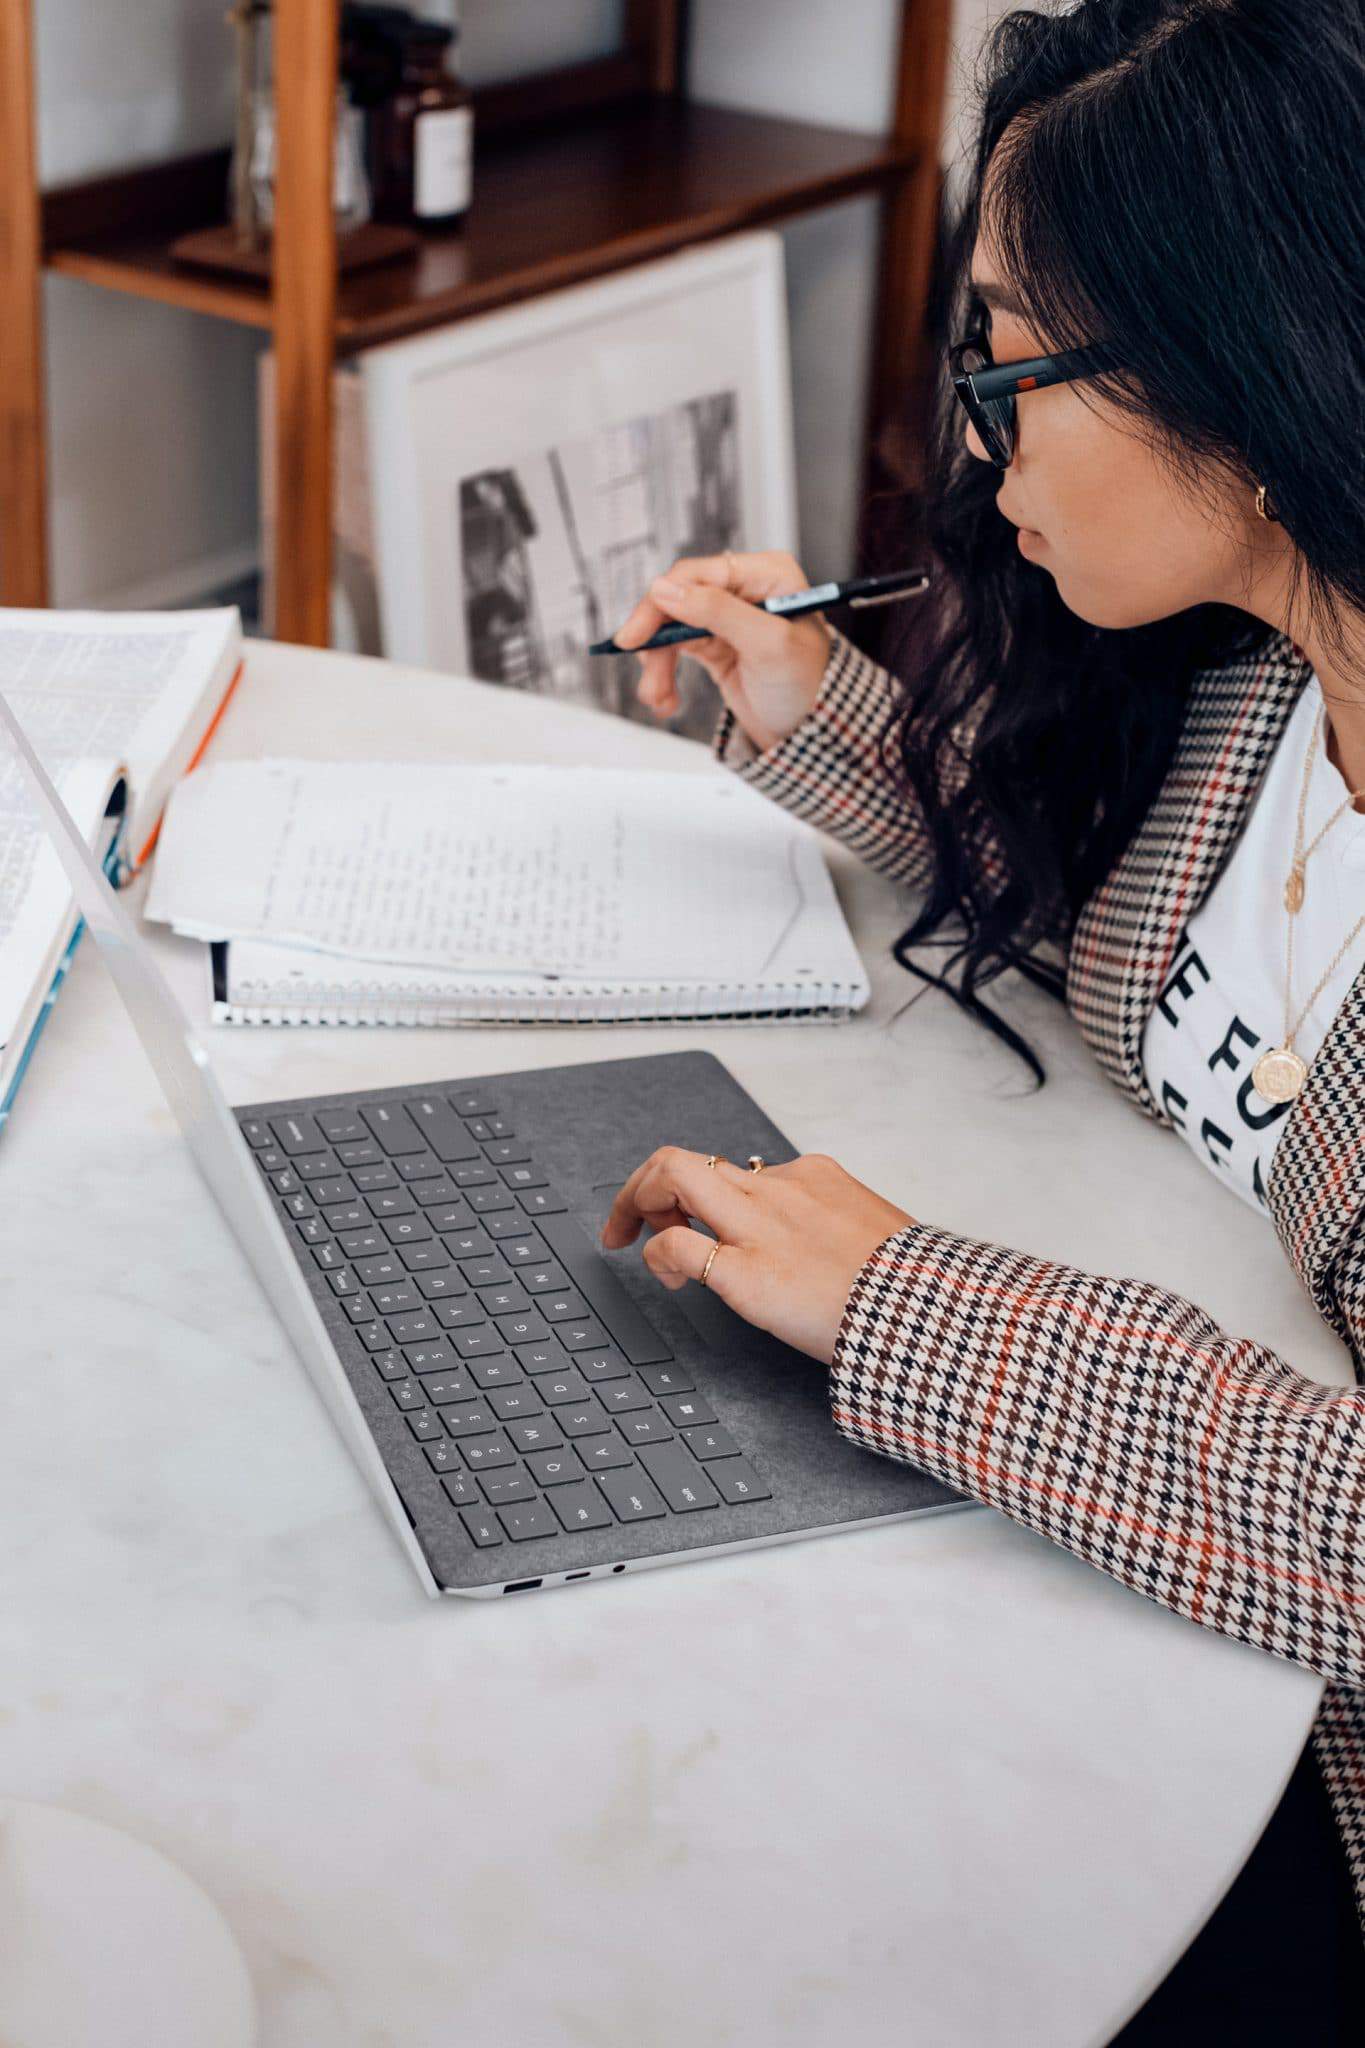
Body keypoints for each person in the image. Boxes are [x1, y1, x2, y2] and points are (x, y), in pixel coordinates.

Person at [600, 0, 1365, 2036]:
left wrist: (906, 1305)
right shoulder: (1267, 683)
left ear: (1250, 362)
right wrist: (823, 725)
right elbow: (1158, 995)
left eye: (1011, 357)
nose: (971, 428)